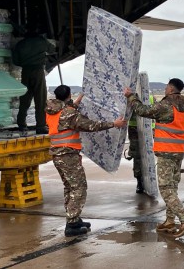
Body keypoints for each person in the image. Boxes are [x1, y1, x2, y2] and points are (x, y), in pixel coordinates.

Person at [48, 85, 126, 237]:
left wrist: (79, 99)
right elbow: (91, 125)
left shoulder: (52, 110)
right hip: (68, 155)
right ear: (69, 95)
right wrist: (113, 124)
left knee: (70, 187)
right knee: (79, 188)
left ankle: (74, 218)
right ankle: (71, 224)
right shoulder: (69, 113)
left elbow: (67, 110)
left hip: (58, 154)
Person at [124, 78, 184, 238]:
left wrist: (131, 96)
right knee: (173, 186)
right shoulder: (183, 104)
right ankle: (170, 221)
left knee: (165, 188)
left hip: (166, 152)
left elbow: (142, 110)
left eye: (166, 87)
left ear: (170, 89)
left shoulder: (166, 105)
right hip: (179, 151)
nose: (164, 90)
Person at [12, 24, 56, 134]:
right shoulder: (41, 41)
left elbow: (16, 61)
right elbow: (52, 49)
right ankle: (40, 126)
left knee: (25, 99)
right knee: (40, 100)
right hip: (38, 71)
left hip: (26, 72)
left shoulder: (20, 44)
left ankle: (21, 124)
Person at [126, 109, 145, 194]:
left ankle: (150, 180)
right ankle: (139, 181)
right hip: (134, 129)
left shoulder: (151, 98)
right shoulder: (130, 98)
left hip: (147, 130)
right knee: (137, 157)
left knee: (148, 157)